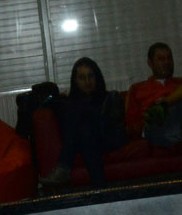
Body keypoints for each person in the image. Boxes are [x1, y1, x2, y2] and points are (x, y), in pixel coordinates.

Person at [124, 43, 182, 178]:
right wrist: (147, 118)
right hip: (160, 127)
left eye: (169, 58)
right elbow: (131, 126)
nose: (167, 62)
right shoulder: (138, 88)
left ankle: (165, 103)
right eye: (161, 59)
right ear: (150, 63)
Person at [38, 57, 129, 188]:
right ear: (75, 81)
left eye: (91, 76)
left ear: (97, 77)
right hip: (90, 139)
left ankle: (64, 167)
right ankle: (100, 187)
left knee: (86, 125)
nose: (87, 81)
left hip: (111, 136)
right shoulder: (71, 105)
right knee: (86, 132)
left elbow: (115, 123)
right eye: (82, 77)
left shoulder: (109, 97)